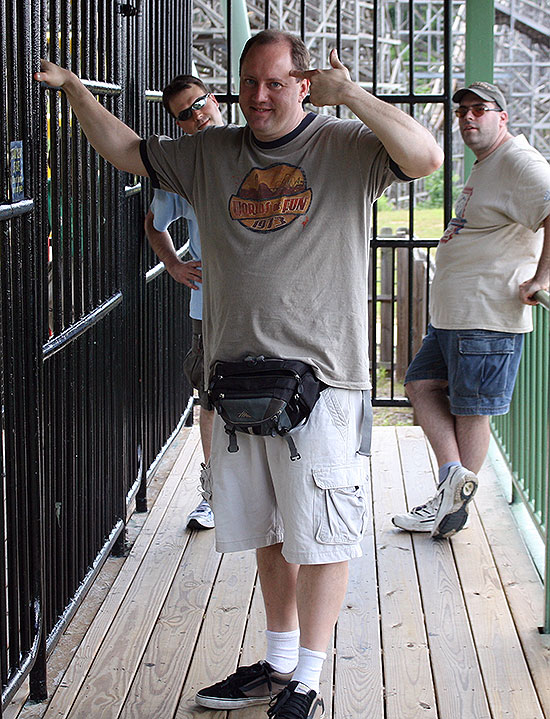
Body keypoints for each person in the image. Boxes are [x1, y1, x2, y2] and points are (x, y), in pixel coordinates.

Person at [35, 31, 443, 719]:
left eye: (276, 82)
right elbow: (127, 149)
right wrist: (76, 90)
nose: (259, 95)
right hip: (238, 383)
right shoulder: (210, 153)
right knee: (270, 533)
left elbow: (426, 157)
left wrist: (354, 97)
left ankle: (307, 681)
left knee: (321, 532)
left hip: (321, 381)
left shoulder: (343, 146)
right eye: (249, 82)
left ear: (304, 84)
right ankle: (279, 661)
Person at [392, 82, 550, 540]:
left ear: (503, 117)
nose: (468, 118)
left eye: (479, 109)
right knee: (421, 385)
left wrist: (541, 279)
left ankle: (452, 505)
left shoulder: (520, 162)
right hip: (457, 316)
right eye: (462, 111)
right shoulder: (490, 165)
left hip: (487, 314)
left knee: (471, 410)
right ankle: (452, 481)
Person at [144, 75, 224, 530]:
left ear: (211, 99)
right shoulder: (182, 165)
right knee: (211, 398)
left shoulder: (253, 143)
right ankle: (213, 492)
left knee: (274, 389)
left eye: (199, 104)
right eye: (184, 114)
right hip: (209, 302)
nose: (197, 116)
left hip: (264, 301)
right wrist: (175, 266)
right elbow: (154, 223)